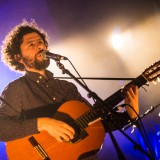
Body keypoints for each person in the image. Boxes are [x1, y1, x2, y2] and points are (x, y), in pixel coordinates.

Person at [0, 20, 139, 160]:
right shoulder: (16, 90)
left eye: (41, 42)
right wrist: (43, 124)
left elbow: (97, 123)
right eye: (31, 44)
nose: (40, 46)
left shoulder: (67, 87)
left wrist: (129, 115)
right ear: (18, 57)